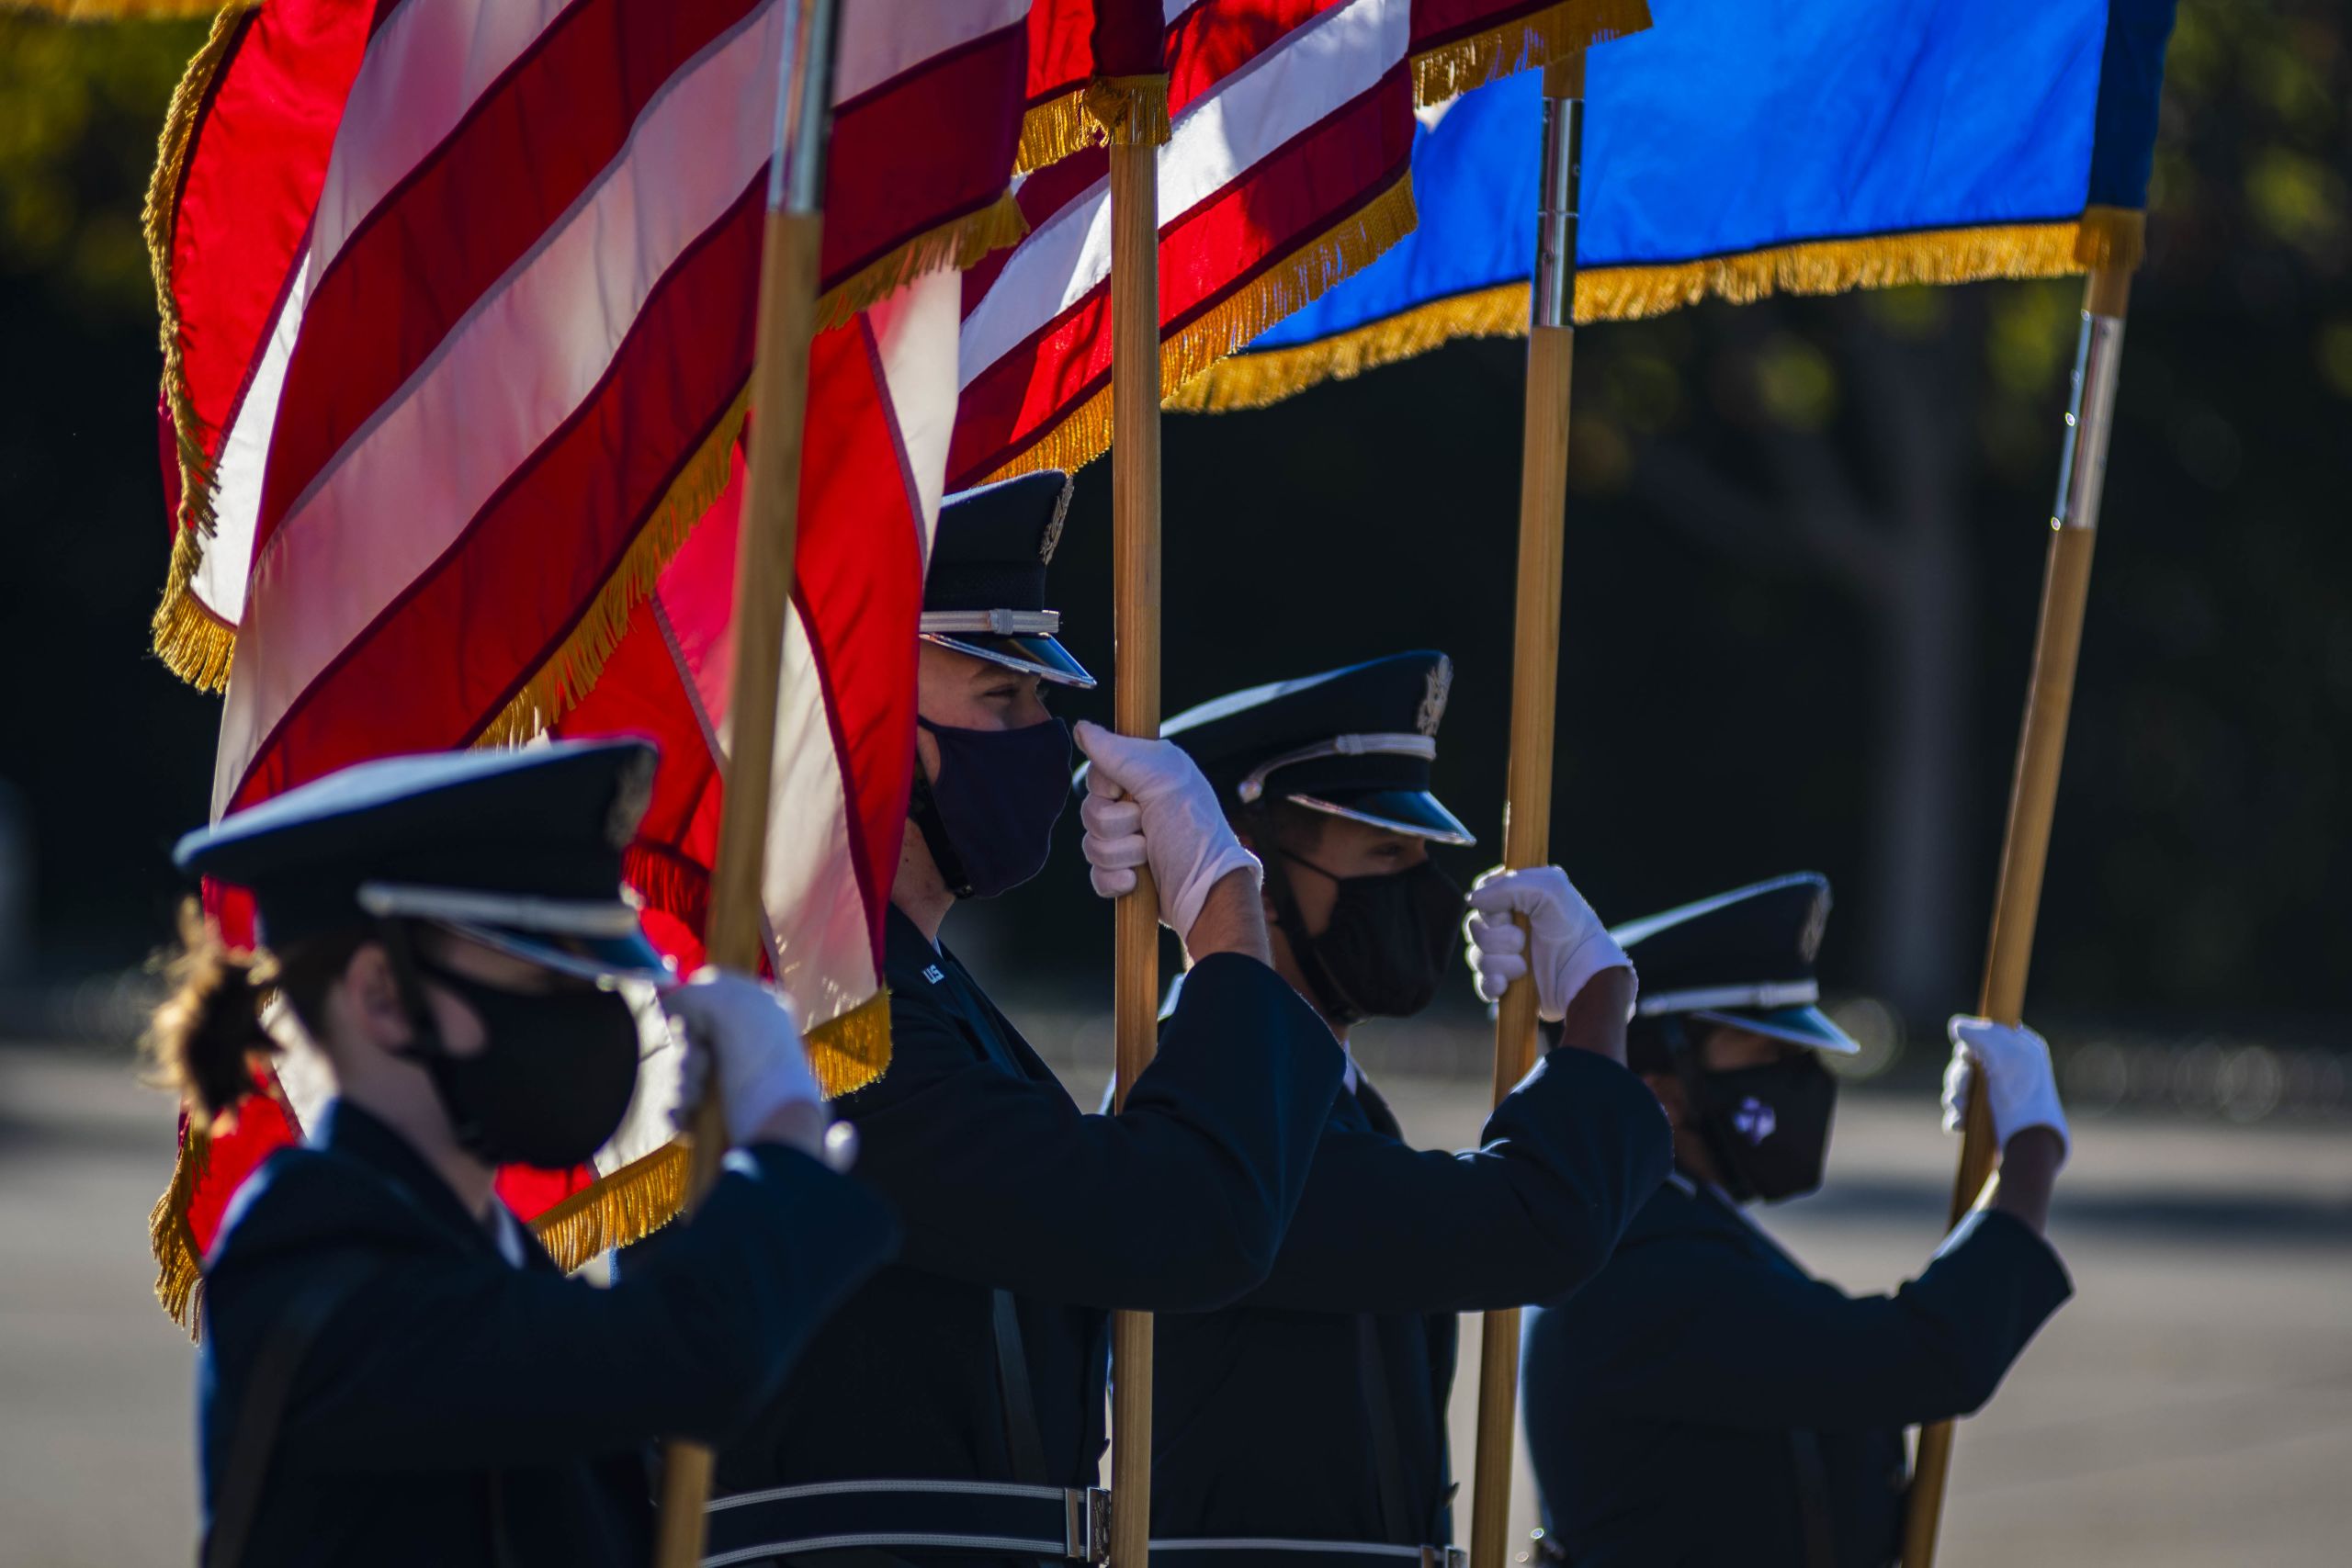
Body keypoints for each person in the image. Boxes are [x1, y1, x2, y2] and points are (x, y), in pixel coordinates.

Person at [706, 473, 1347, 1567]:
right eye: (1001, 697)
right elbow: (1188, 1223)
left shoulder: (922, 992)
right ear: (859, 716)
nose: (1046, 740)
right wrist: (1227, 918)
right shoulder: (826, 1018)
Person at [161, 738, 898, 1568]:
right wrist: (783, 1136)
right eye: (547, 983)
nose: (593, 1023)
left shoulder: (489, 1253)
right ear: (381, 994)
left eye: (599, 985)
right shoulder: (310, 1259)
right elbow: (691, 1354)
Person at [1072, 650, 1672, 1568]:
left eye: (1423, 856)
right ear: (1253, 868)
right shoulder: (1203, 1098)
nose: (1425, 892)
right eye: (1386, 854)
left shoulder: (1331, 1100)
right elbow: (1538, 1221)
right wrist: (1597, 1005)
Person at [1515, 874, 2075, 1568]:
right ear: (1662, 1093)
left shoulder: (1683, 1224)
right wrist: (2029, 1151)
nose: (1802, 1080)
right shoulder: (1637, 1266)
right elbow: (1922, 1356)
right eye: (1771, 1056)